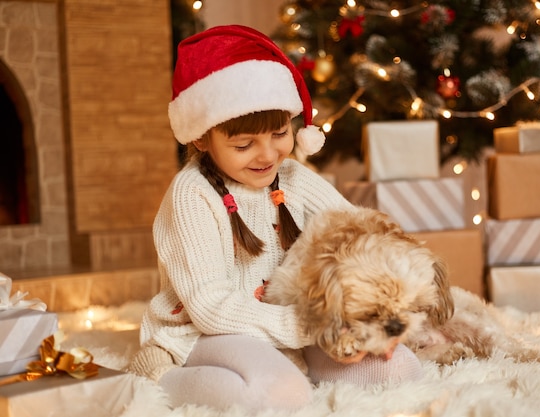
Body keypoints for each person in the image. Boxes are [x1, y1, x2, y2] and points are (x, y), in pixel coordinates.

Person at [127, 24, 422, 411]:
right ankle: (159, 373)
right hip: (208, 330)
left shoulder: (294, 178)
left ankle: (295, 366)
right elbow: (209, 306)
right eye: (244, 144)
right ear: (201, 138)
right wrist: (308, 327)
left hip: (296, 325)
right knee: (280, 394)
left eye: (280, 133)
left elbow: (359, 232)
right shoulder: (191, 195)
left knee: (399, 369)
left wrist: (380, 319)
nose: (267, 155)